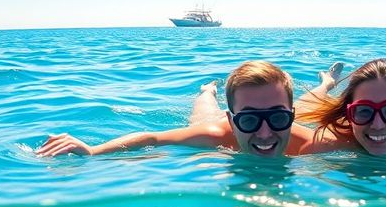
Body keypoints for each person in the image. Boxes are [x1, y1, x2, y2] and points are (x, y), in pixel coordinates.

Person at [36, 61, 317, 158]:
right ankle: (208, 90)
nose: (265, 132)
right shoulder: (215, 135)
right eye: (249, 120)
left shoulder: (310, 143)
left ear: (289, 117)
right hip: (211, 121)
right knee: (204, 109)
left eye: (279, 117)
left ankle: (325, 84)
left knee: (310, 106)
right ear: (232, 121)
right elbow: (151, 139)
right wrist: (93, 152)